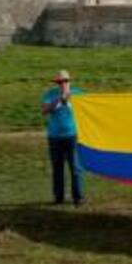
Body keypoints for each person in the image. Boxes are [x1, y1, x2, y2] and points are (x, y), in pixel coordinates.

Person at [41, 70, 86, 206]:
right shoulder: (50, 94)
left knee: (76, 167)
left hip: (73, 135)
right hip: (54, 136)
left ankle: (78, 197)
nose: (63, 84)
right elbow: (45, 110)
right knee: (57, 168)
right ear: (56, 83)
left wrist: (70, 99)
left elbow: (87, 110)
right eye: (60, 82)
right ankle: (58, 197)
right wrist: (60, 98)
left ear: (70, 81)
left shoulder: (78, 93)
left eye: (65, 81)